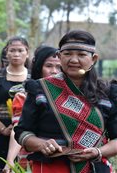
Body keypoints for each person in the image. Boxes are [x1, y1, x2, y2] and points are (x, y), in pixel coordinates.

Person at [14, 30, 117, 173]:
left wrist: (98, 152)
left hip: (95, 168)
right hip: (51, 168)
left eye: (81, 55)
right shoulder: (40, 89)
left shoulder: (108, 92)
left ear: (93, 59)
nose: (74, 60)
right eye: (67, 54)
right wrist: (41, 144)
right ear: (59, 56)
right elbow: (22, 132)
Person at [3, 46, 60, 172]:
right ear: (39, 67)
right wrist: (10, 160)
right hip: (31, 161)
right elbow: (17, 129)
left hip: (62, 160)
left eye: (59, 67)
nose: (54, 71)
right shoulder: (25, 96)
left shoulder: (69, 98)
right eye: (49, 66)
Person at [0, 36, 30, 173]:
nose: (16, 54)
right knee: (0, 169)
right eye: (12, 50)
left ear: (27, 53)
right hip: (1, 133)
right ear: (6, 53)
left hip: (27, 133)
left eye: (20, 50)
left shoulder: (33, 78)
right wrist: (3, 129)